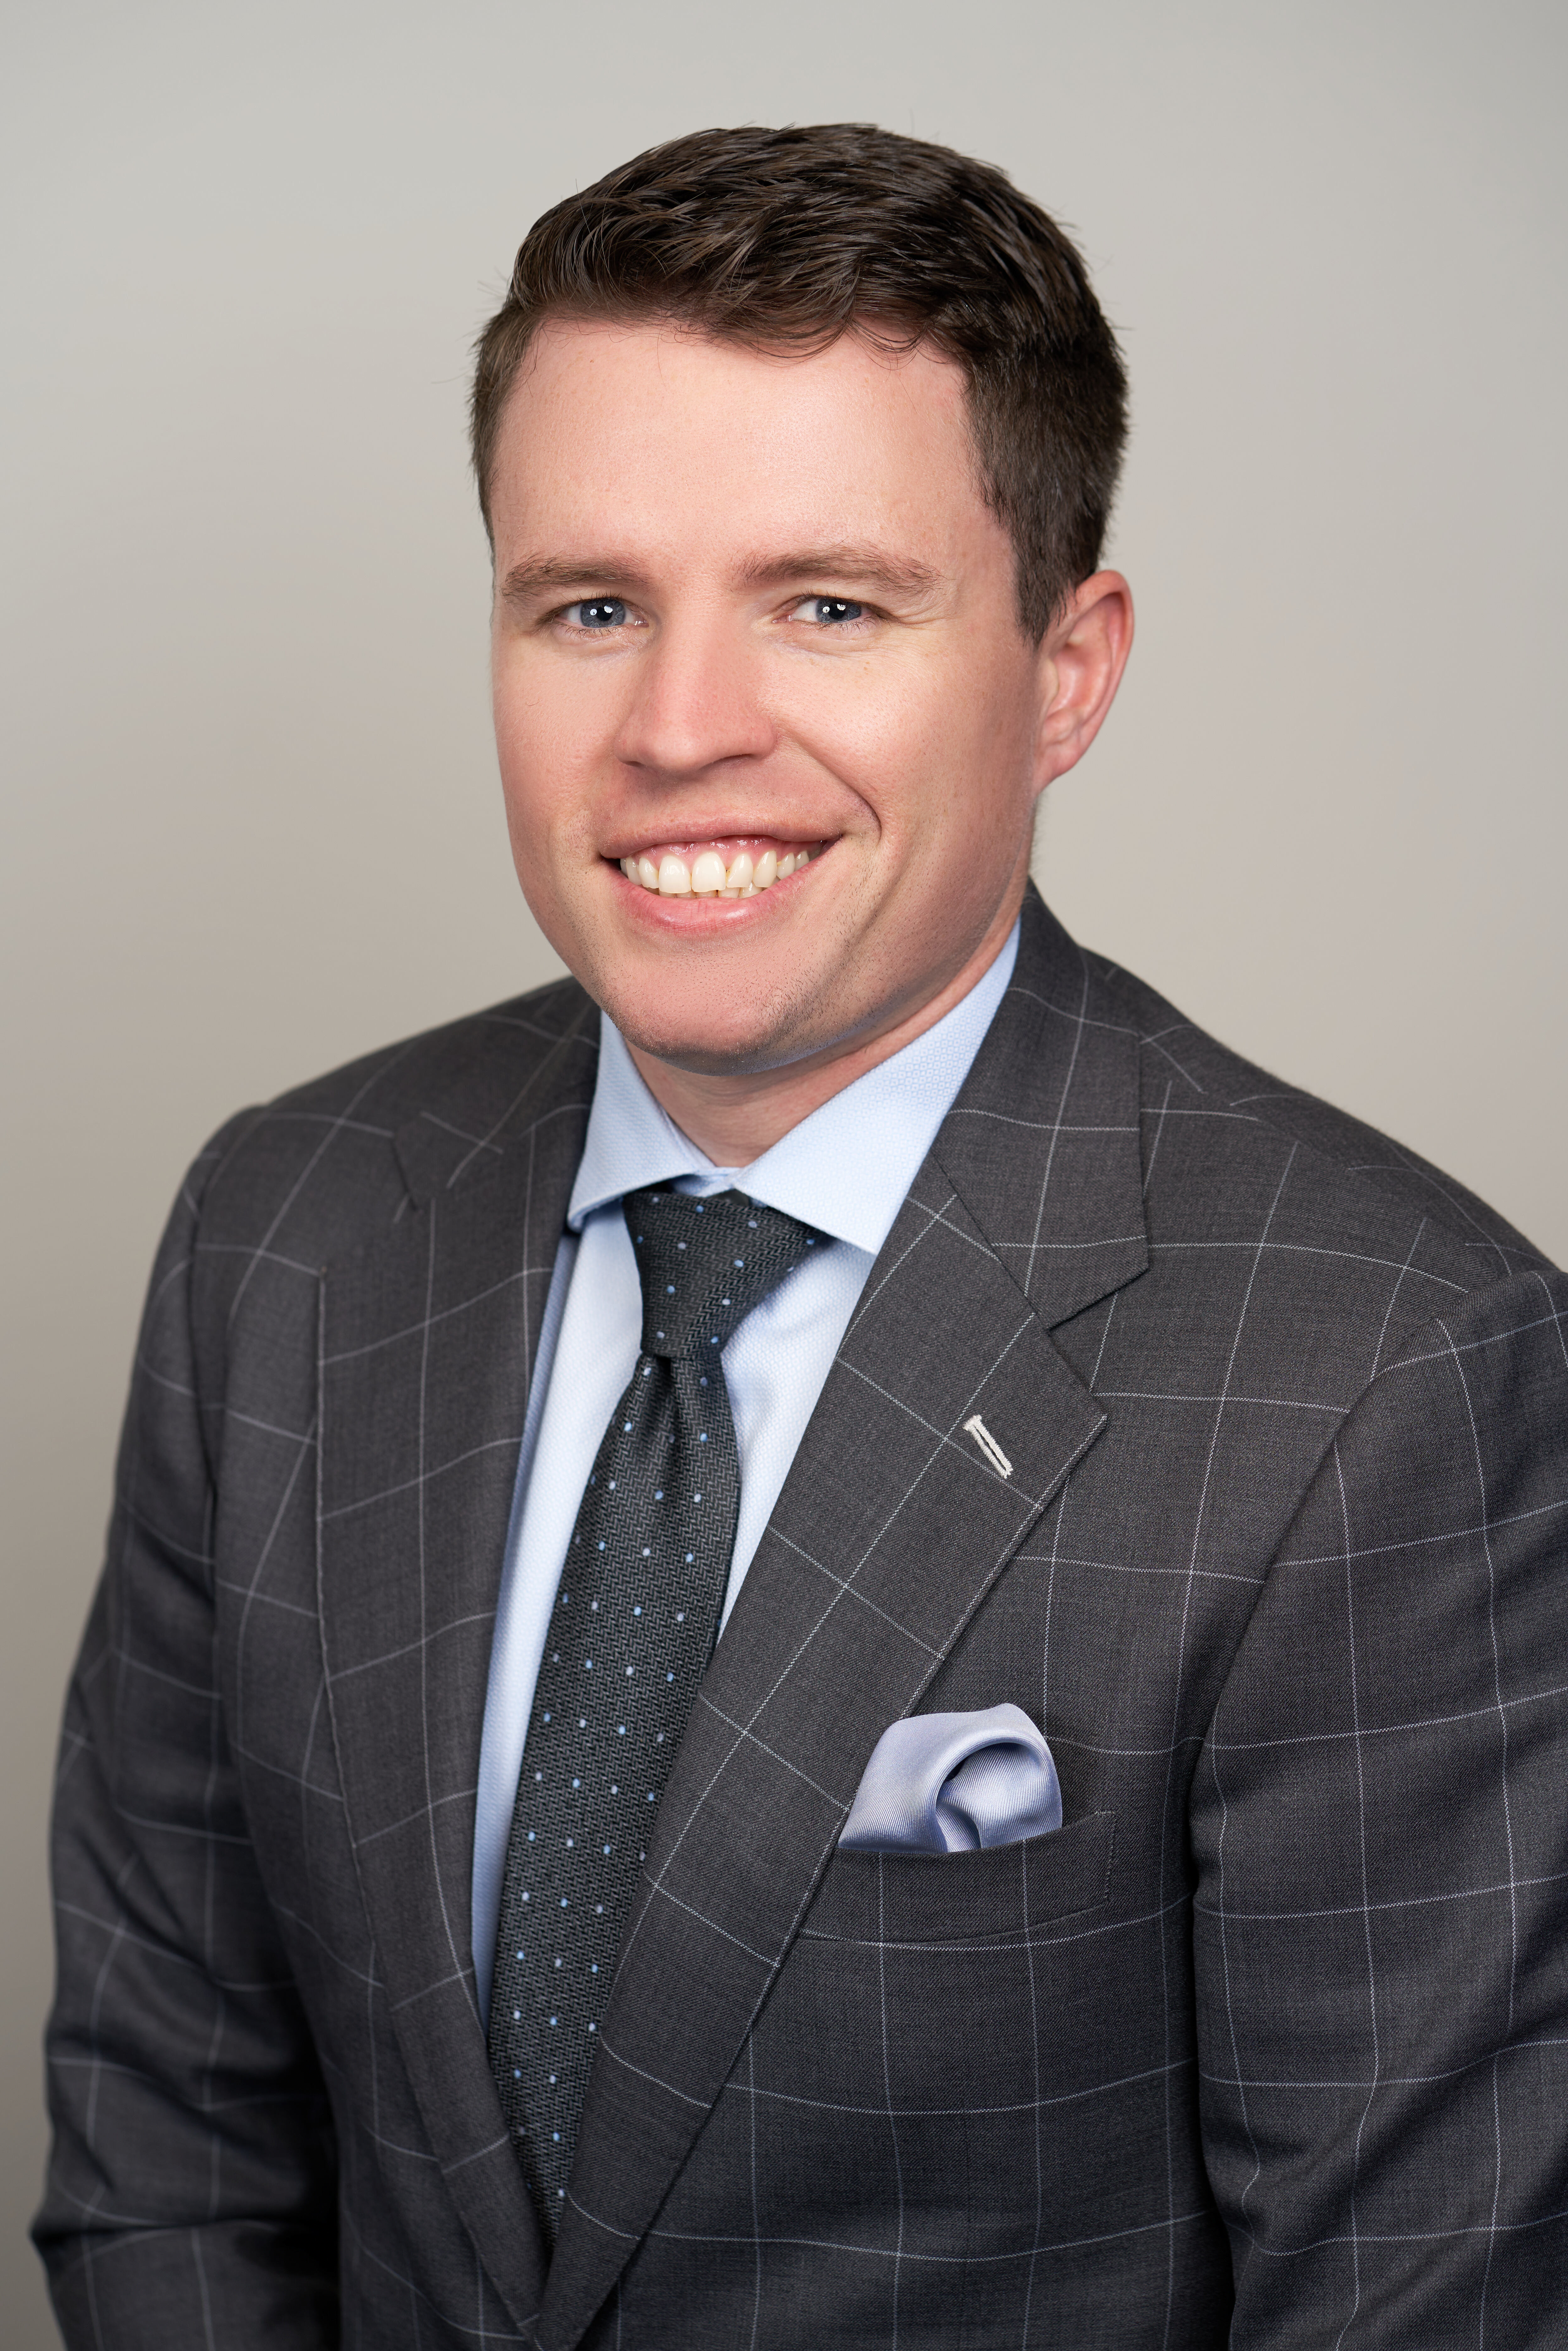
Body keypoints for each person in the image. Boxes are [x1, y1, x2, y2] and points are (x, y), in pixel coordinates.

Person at [35, 123, 1568, 2350]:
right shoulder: (285, 1233)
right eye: (590, 607)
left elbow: (1418, 2301)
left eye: (827, 606)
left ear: (1065, 669)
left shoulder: (1389, 1368)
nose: (678, 732)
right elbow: (170, 2145)